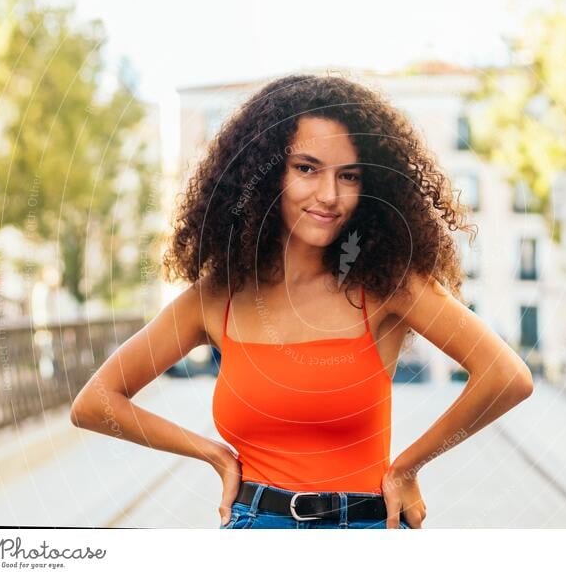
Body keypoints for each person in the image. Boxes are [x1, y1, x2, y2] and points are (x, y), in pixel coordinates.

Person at [70, 74, 534, 529]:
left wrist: (409, 466)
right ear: (266, 173)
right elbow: (95, 402)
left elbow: (507, 375)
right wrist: (209, 452)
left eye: (348, 175)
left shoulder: (390, 285)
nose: (329, 195)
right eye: (307, 168)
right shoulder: (215, 298)